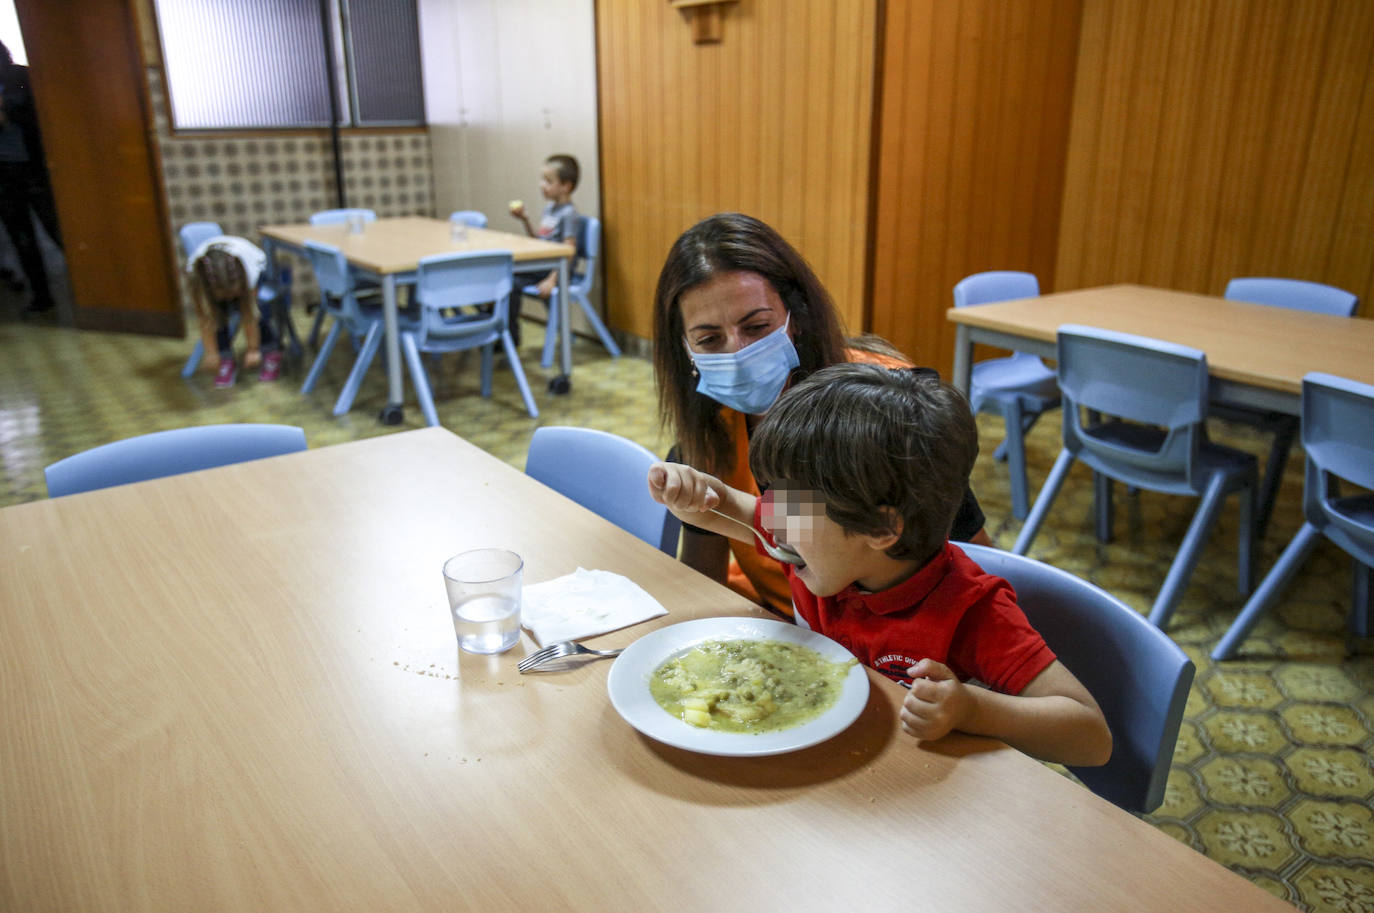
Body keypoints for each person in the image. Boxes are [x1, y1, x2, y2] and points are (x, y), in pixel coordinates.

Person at [647, 363, 1112, 767]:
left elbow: (1091, 735)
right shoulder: (815, 546)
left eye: (791, 502)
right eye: (771, 494)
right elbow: (724, 506)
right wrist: (691, 494)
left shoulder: (972, 610)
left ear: (880, 529)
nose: (769, 514)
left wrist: (971, 709)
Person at [653, 212, 992, 618]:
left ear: (796, 317)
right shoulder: (710, 433)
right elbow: (708, 579)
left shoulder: (885, 408)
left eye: (757, 327)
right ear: (685, 349)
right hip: (783, 627)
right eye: (709, 339)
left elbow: (975, 569)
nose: (737, 353)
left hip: (896, 644)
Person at [0, 40, 63, 314]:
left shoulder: (20, 76)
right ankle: (42, 296)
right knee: (21, 238)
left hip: (33, 168)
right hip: (3, 174)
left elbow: (41, 115)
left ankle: (97, 289)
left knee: (58, 229)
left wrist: (6, 111)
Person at [187, 235, 282, 387]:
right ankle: (226, 359)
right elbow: (205, 319)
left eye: (232, 294)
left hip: (255, 263)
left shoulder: (249, 274)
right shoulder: (197, 277)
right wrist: (212, 353)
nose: (229, 299)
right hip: (213, 282)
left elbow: (250, 314)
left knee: (260, 309)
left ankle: (271, 352)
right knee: (218, 315)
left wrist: (253, 349)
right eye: (224, 295)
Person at [507, 153, 579, 346]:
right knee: (508, 280)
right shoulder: (549, 210)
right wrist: (525, 219)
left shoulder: (569, 214)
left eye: (548, 181)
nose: (542, 185)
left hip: (557, 270)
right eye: (542, 180)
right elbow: (540, 243)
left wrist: (552, 280)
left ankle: (509, 337)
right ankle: (507, 334)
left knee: (509, 278)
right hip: (544, 266)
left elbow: (569, 250)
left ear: (566, 186)